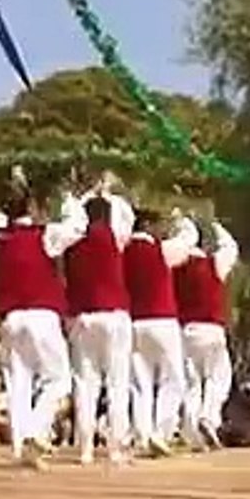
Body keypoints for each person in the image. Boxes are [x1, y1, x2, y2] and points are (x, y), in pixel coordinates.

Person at [0, 172, 83, 469]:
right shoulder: (46, 235)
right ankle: (34, 431)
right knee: (59, 380)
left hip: (10, 318)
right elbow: (78, 227)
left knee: (19, 383)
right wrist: (70, 196)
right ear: (32, 209)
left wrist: (13, 195)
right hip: (41, 313)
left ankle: (20, 447)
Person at [61, 178, 136, 466]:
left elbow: (72, 212)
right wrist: (107, 190)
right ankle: (116, 446)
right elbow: (125, 213)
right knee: (117, 382)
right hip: (114, 313)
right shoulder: (115, 236)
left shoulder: (72, 239)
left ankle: (85, 448)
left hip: (81, 315)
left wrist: (88, 194)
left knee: (85, 382)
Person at [124, 208, 196, 457]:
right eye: (159, 225)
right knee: (174, 379)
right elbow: (189, 239)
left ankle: (142, 436)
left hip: (134, 322)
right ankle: (161, 432)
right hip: (163, 320)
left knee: (139, 384)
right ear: (147, 225)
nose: (162, 231)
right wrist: (182, 218)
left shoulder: (123, 251)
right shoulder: (161, 250)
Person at [174, 217, 239, 451]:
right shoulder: (214, 265)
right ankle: (209, 417)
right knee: (218, 377)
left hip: (184, 331)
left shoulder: (175, 266)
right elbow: (230, 247)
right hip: (211, 328)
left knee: (191, 384)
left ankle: (192, 433)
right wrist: (216, 225)